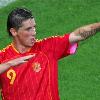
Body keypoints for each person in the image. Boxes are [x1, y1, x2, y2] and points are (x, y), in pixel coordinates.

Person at [0, 7, 100, 100]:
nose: (34, 32)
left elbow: (78, 35)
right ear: (14, 32)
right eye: (28, 29)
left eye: (34, 27)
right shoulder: (3, 57)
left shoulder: (47, 48)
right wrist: (9, 64)